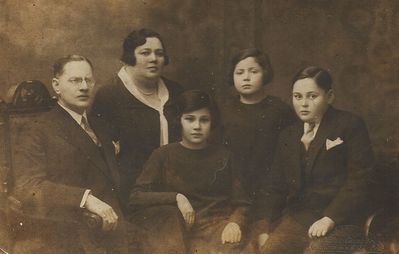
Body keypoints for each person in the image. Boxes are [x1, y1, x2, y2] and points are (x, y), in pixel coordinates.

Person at [12, 55, 128, 254]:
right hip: (68, 230)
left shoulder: (101, 125)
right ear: (57, 86)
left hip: (115, 227)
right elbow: (28, 185)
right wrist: (86, 199)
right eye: (75, 80)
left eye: (88, 80)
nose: (84, 87)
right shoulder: (38, 129)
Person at [252, 66, 375, 253]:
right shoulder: (288, 135)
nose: (304, 104)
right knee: (271, 250)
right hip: (301, 218)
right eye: (298, 97)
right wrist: (266, 226)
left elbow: (359, 179)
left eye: (312, 96)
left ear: (330, 96)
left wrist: (330, 218)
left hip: (343, 219)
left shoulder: (349, 125)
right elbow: (275, 185)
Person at [128, 90, 251, 254]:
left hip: (216, 230)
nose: (197, 126)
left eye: (204, 120)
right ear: (179, 120)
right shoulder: (163, 155)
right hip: (176, 231)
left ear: (212, 123)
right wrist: (176, 197)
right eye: (190, 119)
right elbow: (136, 198)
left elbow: (242, 203)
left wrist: (235, 223)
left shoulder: (225, 157)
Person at [91, 28, 183, 206]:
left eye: (159, 53)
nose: (153, 59)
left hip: (175, 187)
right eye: (145, 53)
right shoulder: (110, 95)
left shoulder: (175, 91)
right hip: (131, 192)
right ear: (129, 56)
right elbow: (103, 156)